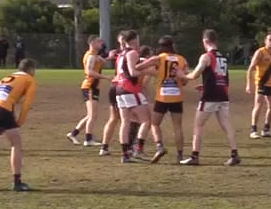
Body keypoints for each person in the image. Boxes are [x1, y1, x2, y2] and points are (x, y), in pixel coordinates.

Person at [179, 29, 240, 166]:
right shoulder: (222, 57)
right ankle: (234, 153)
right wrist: (205, 85)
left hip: (210, 96)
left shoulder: (206, 57)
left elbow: (194, 75)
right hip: (222, 94)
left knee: (198, 125)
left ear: (205, 41)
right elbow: (221, 76)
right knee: (226, 125)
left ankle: (195, 156)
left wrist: (181, 75)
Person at [0, 58, 38, 192]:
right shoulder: (29, 80)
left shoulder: (9, 76)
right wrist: (19, 122)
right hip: (2, 108)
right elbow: (26, 104)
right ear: (31, 70)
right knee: (16, 144)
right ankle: (17, 181)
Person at [113, 31, 158, 163]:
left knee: (125, 122)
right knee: (146, 121)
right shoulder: (132, 53)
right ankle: (138, 149)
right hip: (130, 89)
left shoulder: (120, 54)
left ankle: (125, 154)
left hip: (119, 89)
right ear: (133, 40)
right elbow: (133, 72)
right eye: (137, 39)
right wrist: (149, 70)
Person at [148, 36, 189, 164]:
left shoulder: (159, 59)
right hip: (177, 96)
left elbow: (146, 69)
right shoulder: (182, 59)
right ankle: (180, 155)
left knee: (154, 124)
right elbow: (185, 80)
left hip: (162, 96)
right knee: (177, 126)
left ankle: (159, 146)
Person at [66, 35, 106, 147]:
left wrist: (109, 57)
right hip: (90, 87)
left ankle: (73, 134)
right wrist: (105, 77)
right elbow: (89, 71)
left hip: (93, 87)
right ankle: (88, 139)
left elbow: (101, 61)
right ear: (92, 43)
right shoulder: (91, 56)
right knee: (93, 115)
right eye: (99, 42)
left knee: (91, 115)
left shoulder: (94, 56)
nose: (101, 44)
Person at [245, 32, 271, 139]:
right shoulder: (260, 52)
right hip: (261, 82)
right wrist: (248, 84)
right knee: (258, 105)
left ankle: (266, 129)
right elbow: (250, 68)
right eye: (270, 40)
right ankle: (253, 129)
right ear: (265, 41)